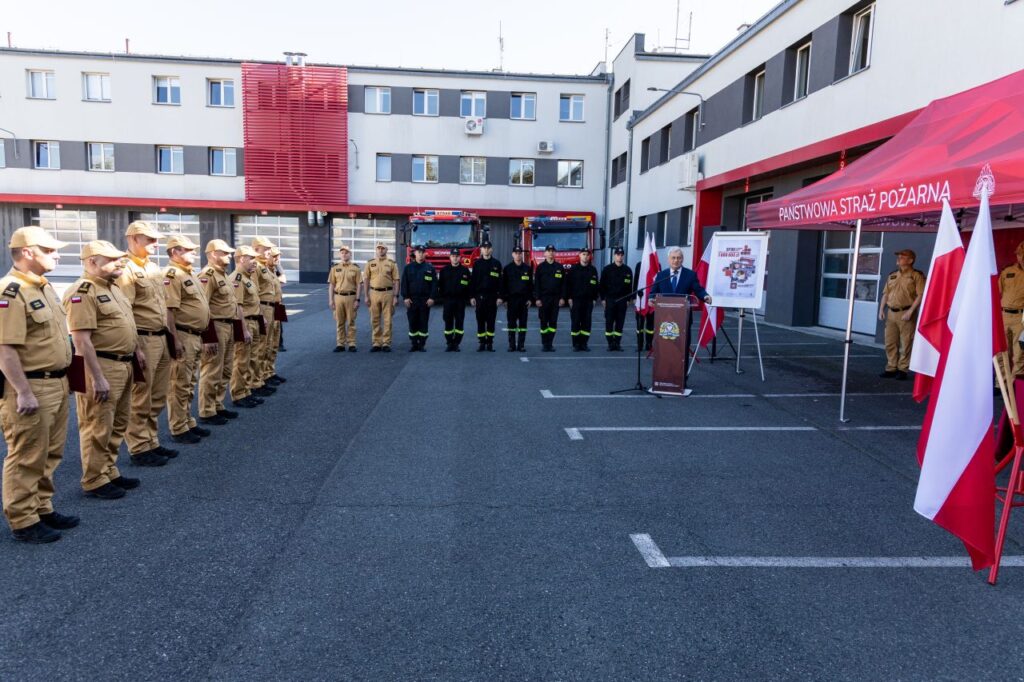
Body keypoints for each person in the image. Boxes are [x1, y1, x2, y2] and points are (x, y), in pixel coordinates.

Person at [0, 227, 76, 543]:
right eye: (49, 250)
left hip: (55, 382)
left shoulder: (43, 288)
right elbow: (5, 349)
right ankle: (23, 519)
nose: (56, 255)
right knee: (27, 455)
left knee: (50, 453)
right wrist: (23, 392)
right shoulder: (10, 291)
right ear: (28, 252)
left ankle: (42, 507)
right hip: (31, 386)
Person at [63, 240, 144, 501]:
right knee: (97, 425)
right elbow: (81, 340)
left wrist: (137, 351)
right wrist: (97, 378)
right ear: (91, 262)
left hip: (123, 363)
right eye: (111, 259)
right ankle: (94, 479)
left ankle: (109, 469)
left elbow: (126, 325)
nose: (119, 262)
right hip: (99, 366)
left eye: (119, 258)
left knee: (117, 422)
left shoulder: (113, 288)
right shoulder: (83, 291)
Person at [117, 220, 175, 467]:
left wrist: (171, 337)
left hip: (160, 336)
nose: (155, 244)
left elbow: (163, 305)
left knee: (158, 395)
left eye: (156, 240)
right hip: (143, 338)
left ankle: (151, 440)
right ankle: (139, 447)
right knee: (141, 396)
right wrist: (135, 347)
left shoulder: (152, 267)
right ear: (133, 239)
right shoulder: (126, 269)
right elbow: (125, 311)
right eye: (150, 239)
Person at [163, 235, 212, 444]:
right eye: (189, 250)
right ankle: (178, 427)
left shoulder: (188, 274)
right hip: (183, 334)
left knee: (190, 382)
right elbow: (169, 311)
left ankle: (187, 421)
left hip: (194, 335)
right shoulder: (172, 275)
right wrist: (174, 340)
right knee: (179, 384)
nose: (194, 252)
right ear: (175, 252)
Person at [198, 239, 242, 426]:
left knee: (225, 368)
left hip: (228, 325)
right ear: (212, 254)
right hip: (216, 326)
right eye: (224, 253)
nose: (229, 256)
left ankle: (217, 404)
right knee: (212, 370)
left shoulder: (223, 275)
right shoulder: (208, 275)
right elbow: (203, 306)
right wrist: (208, 336)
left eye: (229, 253)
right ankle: (207, 411)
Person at [879, 248, 925, 380]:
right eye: (898, 256)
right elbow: (886, 294)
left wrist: (911, 311)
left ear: (910, 260)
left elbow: (920, 295)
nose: (899, 258)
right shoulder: (892, 275)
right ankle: (891, 368)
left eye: (902, 257)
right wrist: (881, 309)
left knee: (906, 343)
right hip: (891, 313)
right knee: (890, 342)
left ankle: (902, 369)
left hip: (906, 313)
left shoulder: (916, 275)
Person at [230, 246, 262, 409]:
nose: (255, 261)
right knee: (241, 360)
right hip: (246, 322)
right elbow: (238, 307)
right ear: (242, 259)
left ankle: (246, 390)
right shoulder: (237, 279)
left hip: (253, 321)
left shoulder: (248, 277)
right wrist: (243, 330)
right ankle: (238, 394)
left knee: (251, 358)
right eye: (252, 258)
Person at [250, 237, 279, 394]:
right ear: (256, 249)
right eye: (266, 249)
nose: (269, 251)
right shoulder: (255, 267)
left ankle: (265, 375)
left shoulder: (265, 267)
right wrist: (260, 314)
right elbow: (254, 293)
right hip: (263, 307)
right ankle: (256, 381)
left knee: (269, 344)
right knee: (260, 347)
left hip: (273, 307)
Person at [363, 242, 399, 352]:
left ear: (386, 250)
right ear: (376, 250)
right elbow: (366, 280)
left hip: (388, 293)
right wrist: (366, 295)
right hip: (373, 293)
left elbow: (396, 280)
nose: (380, 250)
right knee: (375, 319)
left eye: (383, 248)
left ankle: (386, 343)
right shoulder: (370, 263)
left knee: (388, 319)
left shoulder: (392, 263)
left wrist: (396, 296)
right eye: (378, 248)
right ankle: (376, 343)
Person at [400, 245, 437, 351]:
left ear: (425, 254)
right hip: (412, 300)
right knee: (412, 322)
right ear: (415, 253)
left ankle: (421, 344)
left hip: (425, 300)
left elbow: (434, 284)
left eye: (422, 252)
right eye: (418, 252)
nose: (420, 254)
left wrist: (432, 298)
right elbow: (404, 284)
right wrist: (405, 297)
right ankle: (414, 343)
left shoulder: (430, 268)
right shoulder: (408, 268)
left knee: (423, 322)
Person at [470, 241, 503, 352]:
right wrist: (472, 296)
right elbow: (473, 281)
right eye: (484, 248)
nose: (486, 250)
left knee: (491, 320)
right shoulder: (477, 264)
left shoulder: (496, 264)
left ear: (491, 249)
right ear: (481, 250)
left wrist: (500, 297)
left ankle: (489, 343)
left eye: (488, 248)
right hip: (480, 296)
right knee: (480, 320)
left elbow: (500, 282)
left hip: (492, 297)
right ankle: (481, 343)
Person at [328, 244, 361, 352]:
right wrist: (331, 300)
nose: (344, 254)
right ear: (340, 255)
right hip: (338, 297)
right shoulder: (335, 268)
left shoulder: (355, 268)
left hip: (351, 297)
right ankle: (340, 344)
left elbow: (359, 285)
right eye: (342, 253)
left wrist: (357, 299)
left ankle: (352, 343)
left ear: (350, 254)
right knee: (339, 322)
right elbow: (331, 285)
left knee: (351, 321)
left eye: (346, 253)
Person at [437, 248, 472, 352]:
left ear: (460, 257)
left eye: (457, 256)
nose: (455, 258)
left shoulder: (465, 270)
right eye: (453, 256)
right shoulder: (444, 270)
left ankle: (456, 343)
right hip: (448, 300)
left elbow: (469, 286)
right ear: (450, 257)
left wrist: (469, 297)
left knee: (459, 322)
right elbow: (440, 285)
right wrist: (442, 297)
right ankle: (449, 343)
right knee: (448, 322)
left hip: (460, 301)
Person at [566, 248, 600, 352]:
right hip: (576, 300)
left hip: (588, 301)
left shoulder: (593, 270)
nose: (585, 256)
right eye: (583, 254)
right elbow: (568, 285)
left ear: (590, 257)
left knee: (586, 323)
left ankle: (584, 343)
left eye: (587, 255)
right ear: (580, 255)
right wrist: (569, 298)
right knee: (576, 322)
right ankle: (576, 344)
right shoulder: (573, 269)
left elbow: (596, 285)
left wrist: (595, 299)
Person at [534, 245, 566, 352]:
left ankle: (550, 344)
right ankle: (544, 343)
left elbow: (563, 285)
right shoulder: (540, 267)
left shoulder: (559, 267)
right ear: (545, 253)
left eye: (553, 251)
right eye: (549, 251)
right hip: (544, 299)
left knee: (553, 322)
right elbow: (536, 284)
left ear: (555, 253)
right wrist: (537, 298)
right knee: (544, 321)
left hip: (555, 299)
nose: (551, 253)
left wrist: (562, 298)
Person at [501, 246, 532, 352]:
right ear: (512, 254)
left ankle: (521, 345)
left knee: (523, 324)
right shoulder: (507, 268)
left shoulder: (527, 268)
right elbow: (504, 285)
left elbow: (530, 286)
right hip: (511, 300)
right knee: (511, 324)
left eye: (519, 253)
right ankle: (512, 345)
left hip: (523, 300)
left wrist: (530, 299)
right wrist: (505, 299)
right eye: (516, 253)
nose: (518, 255)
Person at [600, 247, 632, 351]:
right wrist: (603, 299)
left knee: (620, 323)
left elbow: (629, 287)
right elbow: (602, 285)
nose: (620, 257)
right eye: (618, 254)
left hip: (622, 300)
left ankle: (617, 343)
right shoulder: (607, 269)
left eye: (622, 255)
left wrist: (628, 300)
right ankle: (610, 343)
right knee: (609, 322)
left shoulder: (627, 270)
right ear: (614, 256)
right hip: (610, 300)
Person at [263, 246, 286, 386]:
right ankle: (263, 376)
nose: (277, 258)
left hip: (277, 306)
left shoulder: (273, 269)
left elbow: (284, 280)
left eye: (279, 256)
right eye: (275, 256)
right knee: (265, 344)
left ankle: (270, 372)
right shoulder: (262, 269)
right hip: (267, 307)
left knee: (274, 342)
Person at [1000, 241, 1024, 376]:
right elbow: (997, 293)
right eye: (1019, 255)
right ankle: (1002, 382)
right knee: (1002, 352)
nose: (1021, 258)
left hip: (1021, 318)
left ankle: (1016, 383)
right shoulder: (1007, 271)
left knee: (1019, 353)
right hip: (1003, 316)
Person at [634, 260, 654, 352]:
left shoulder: (656, 263)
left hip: (651, 299)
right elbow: (636, 281)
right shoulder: (639, 265)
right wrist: (634, 297)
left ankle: (649, 344)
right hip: (641, 299)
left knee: (650, 325)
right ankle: (640, 344)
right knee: (639, 325)